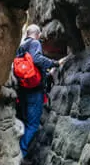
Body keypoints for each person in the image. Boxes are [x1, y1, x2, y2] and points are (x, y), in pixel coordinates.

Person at [15, 24, 66, 157]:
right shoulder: (35, 43)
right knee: (33, 125)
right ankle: (20, 154)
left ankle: (18, 151)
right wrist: (55, 63)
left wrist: (48, 75)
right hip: (34, 91)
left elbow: (30, 69)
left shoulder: (21, 47)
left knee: (26, 121)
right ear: (38, 34)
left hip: (22, 90)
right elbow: (36, 59)